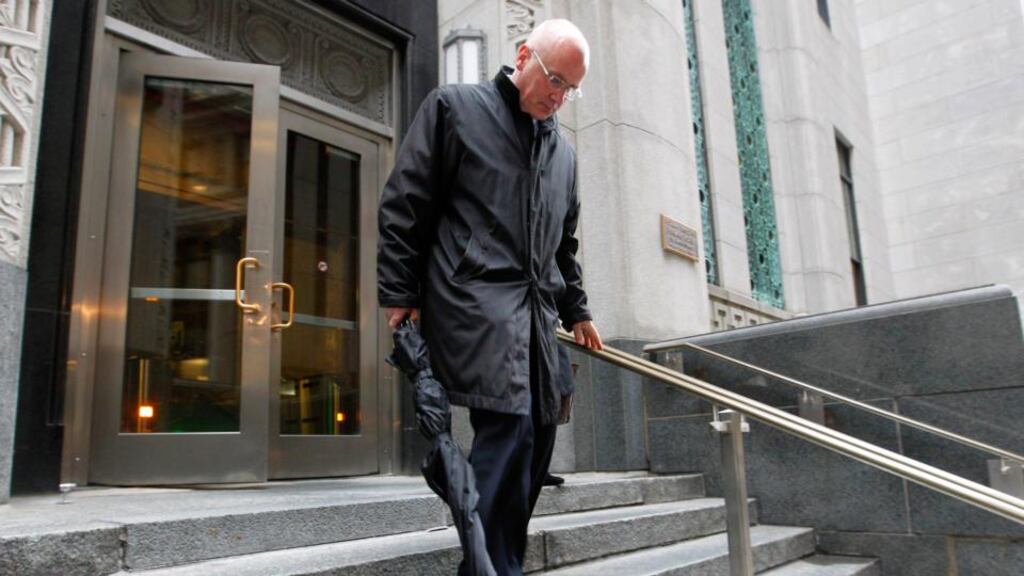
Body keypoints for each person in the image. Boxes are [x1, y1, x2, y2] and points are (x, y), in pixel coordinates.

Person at [377, 18, 602, 576]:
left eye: (569, 88)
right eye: (554, 78)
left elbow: (563, 247)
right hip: (473, 303)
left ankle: (491, 562)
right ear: (523, 55)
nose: (558, 95)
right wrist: (398, 291)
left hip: (536, 319)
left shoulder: (564, 156)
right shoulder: (454, 110)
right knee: (511, 430)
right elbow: (405, 203)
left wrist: (579, 311)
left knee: (537, 443)